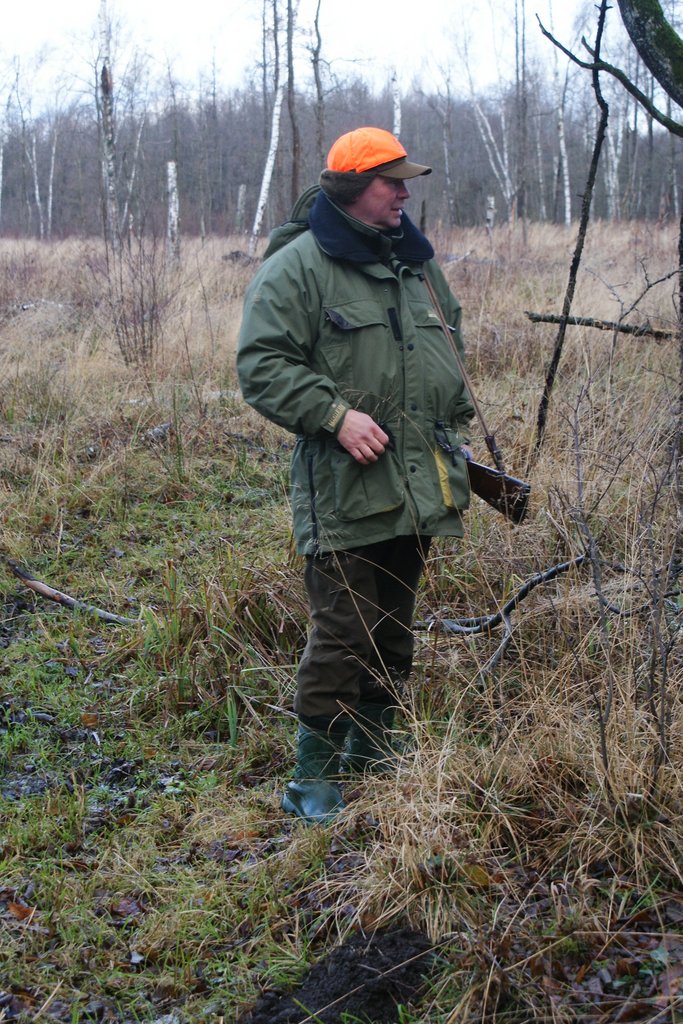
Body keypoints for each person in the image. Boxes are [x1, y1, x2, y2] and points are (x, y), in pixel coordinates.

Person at [237, 126, 474, 824]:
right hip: (342, 484)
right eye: (390, 182)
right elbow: (262, 365)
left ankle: (373, 747)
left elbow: (449, 351)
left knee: (394, 623)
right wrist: (334, 416)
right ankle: (311, 774)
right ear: (351, 189)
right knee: (344, 629)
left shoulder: (416, 266)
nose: (404, 194)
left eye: (405, 182)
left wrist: (449, 429)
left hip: (416, 478)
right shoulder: (299, 266)